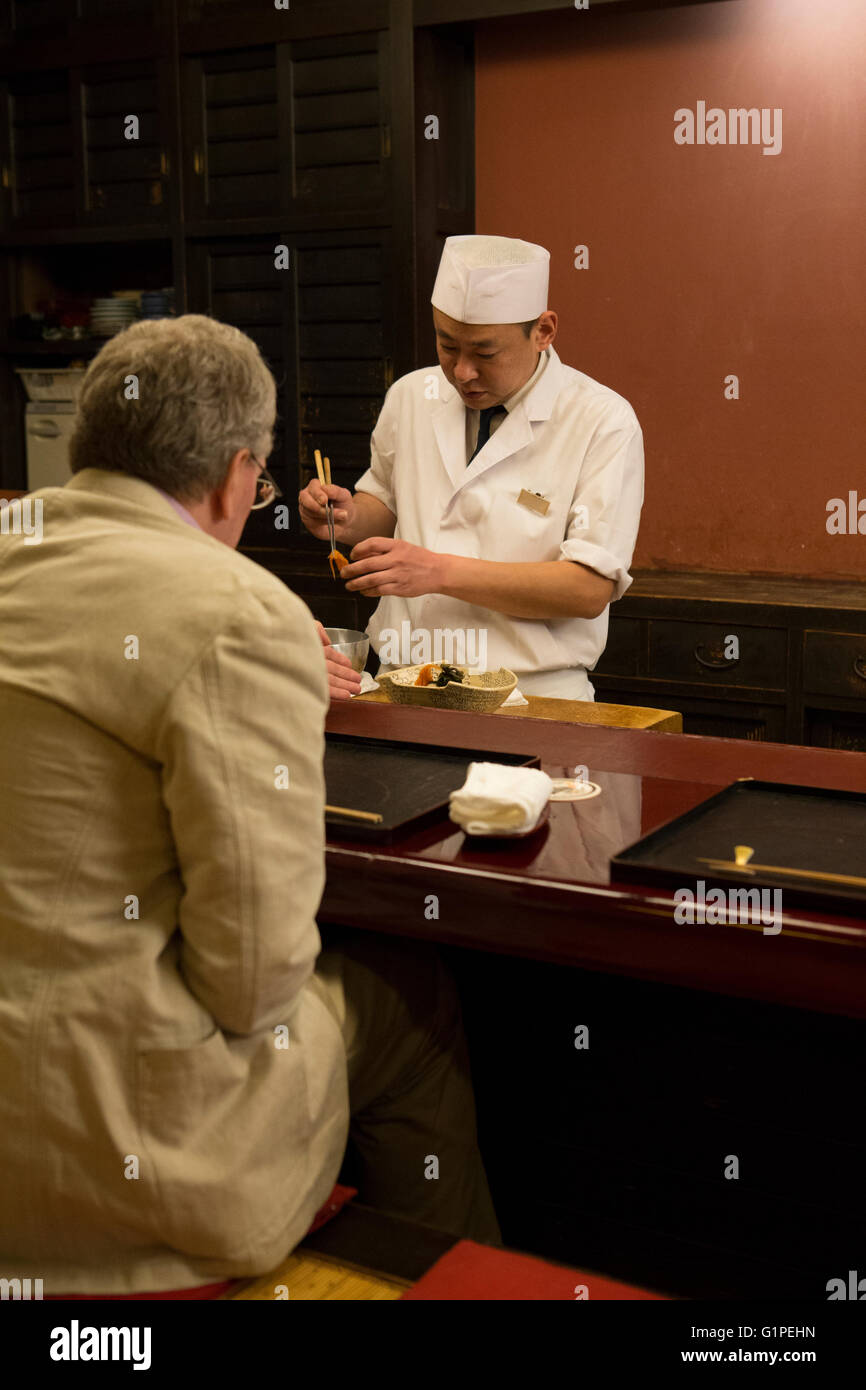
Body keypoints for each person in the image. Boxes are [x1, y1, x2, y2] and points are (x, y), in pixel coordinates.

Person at [0, 314, 499, 1297]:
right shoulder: (239, 609)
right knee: (406, 992)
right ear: (236, 476)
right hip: (118, 1159)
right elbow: (253, 977)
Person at [298, 234, 645, 700]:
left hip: (532, 696)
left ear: (543, 330)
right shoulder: (410, 397)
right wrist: (347, 518)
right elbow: (384, 501)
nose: (462, 372)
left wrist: (438, 571)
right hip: (402, 682)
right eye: (447, 346)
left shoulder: (601, 420)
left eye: (485, 353)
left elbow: (587, 590)